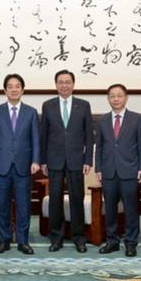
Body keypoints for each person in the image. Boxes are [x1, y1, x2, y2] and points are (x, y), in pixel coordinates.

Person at [0, 73, 40, 255]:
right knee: (3, 206)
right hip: (2, 165)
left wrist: (36, 160)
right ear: (5, 90)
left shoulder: (31, 112)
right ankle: (5, 240)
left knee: (24, 206)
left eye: (17, 86)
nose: (14, 89)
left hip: (24, 165)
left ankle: (23, 241)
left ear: (22, 90)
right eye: (10, 86)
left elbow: (36, 139)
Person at [40, 69, 93, 253]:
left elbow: (89, 135)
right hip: (54, 160)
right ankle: (56, 237)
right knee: (55, 199)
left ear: (73, 84)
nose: (64, 85)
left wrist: (88, 160)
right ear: (56, 85)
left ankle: (79, 237)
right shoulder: (48, 105)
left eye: (68, 82)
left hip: (76, 160)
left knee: (77, 198)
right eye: (61, 82)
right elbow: (43, 135)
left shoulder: (83, 105)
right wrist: (43, 161)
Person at [95, 84, 141, 257]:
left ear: (126, 98)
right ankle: (112, 241)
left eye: (119, 95)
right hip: (108, 172)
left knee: (131, 209)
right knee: (110, 209)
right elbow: (99, 147)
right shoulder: (102, 120)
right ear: (108, 99)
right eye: (112, 96)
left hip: (130, 171)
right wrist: (98, 168)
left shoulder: (137, 119)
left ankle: (131, 243)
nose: (116, 99)